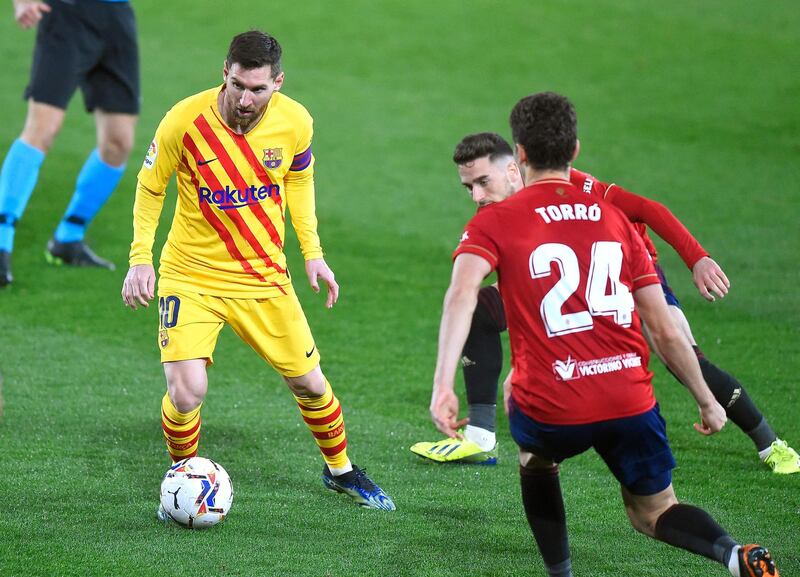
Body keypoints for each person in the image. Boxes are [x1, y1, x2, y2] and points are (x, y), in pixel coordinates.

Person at [429, 92, 779, 577]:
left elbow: (462, 295)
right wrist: (705, 397)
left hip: (555, 402)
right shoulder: (613, 217)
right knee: (655, 512)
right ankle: (732, 555)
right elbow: (663, 328)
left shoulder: (494, 222)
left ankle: (561, 573)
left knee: (534, 458)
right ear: (574, 150)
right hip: (629, 400)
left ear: (520, 156)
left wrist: (443, 384)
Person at [411, 131, 799, 474]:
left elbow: (648, 210)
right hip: (571, 285)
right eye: (468, 187)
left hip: (630, 276)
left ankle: (770, 443)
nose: (476, 196)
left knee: (681, 355)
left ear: (514, 169)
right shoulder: (499, 211)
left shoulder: (572, 187)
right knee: (481, 308)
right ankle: (479, 437)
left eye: (482, 182)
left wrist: (697, 257)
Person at [120, 30, 395, 513]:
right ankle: (182, 478)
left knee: (310, 383)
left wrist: (313, 251)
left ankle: (342, 471)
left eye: (258, 89)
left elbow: (300, 178)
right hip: (192, 274)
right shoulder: (183, 122)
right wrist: (140, 258)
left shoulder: (296, 122)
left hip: (263, 276)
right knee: (187, 392)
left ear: (278, 83)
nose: (245, 100)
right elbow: (150, 187)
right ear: (223, 73)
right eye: (237, 86)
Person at [0, 0, 140, 286]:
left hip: (117, 18)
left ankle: (68, 238)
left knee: (119, 142)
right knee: (43, 129)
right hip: (68, 13)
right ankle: (1, 238)